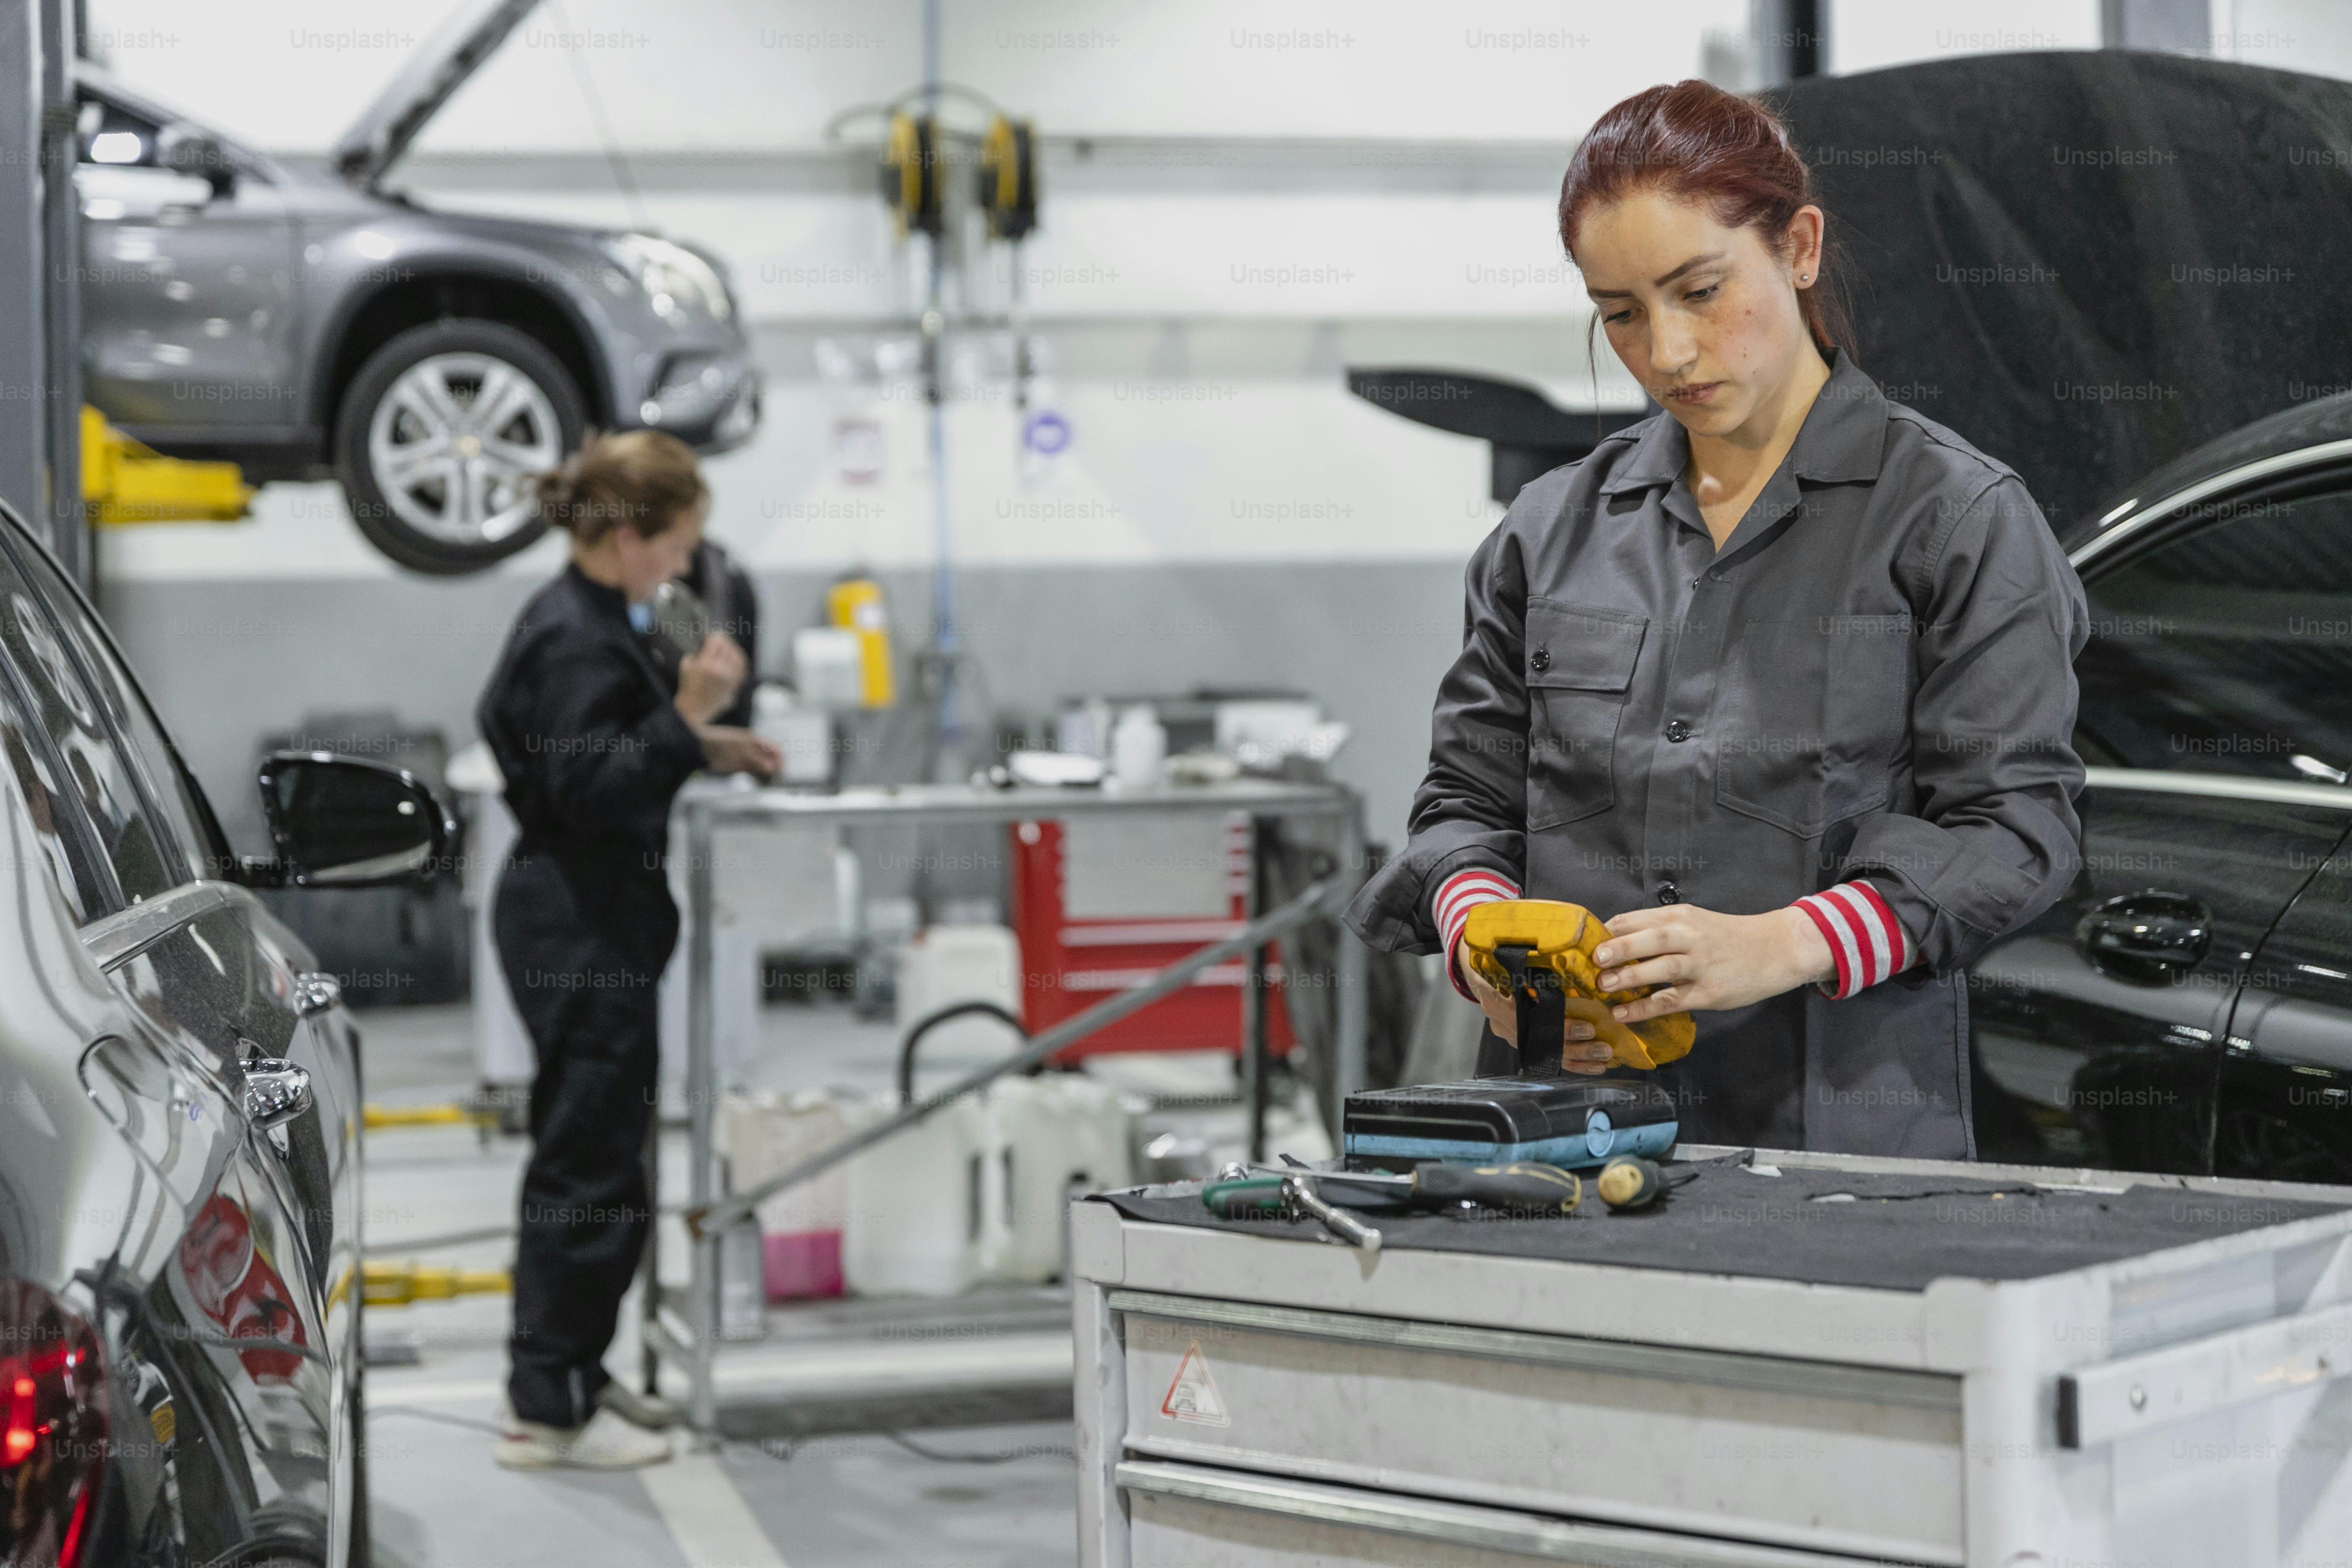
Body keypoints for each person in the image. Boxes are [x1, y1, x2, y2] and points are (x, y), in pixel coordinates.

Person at [1346, 79, 2088, 1158]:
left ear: (1798, 246)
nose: (1670, 353)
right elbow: (1462, 799)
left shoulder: (1957, 522)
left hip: (1839, 1152)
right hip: (1558, 1136)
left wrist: (1789, 941)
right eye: (1621, 315)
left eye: (1699, 290)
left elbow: (2017, 830)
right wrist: (1477, 932)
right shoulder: (1548, 532)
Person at [477, 429, 780, 1469]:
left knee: (604, 1153)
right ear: (620, 534)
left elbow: (613, 754)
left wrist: (701, 739)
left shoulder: (602, 618)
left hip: (595, 913)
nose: (686, 573)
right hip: (576, 921)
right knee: (586, 1164)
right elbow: (588, 790)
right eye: (674, 551)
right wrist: (687, 714)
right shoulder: (571, 634)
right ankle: (546, 1409)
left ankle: (577, 1371)